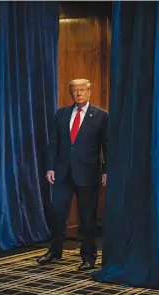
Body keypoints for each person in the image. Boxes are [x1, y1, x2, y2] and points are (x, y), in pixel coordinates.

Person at [38, 78, 108, 271]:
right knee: (57, 213)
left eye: (81, 90)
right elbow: (54, 143)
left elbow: (106, 146)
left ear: (89, 92)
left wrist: (106, 170)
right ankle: (55, 251)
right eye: (75, 90)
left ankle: (88, 257)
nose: (78, 94)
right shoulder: (61, 114)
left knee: (87, 217)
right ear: (71, 93)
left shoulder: (102, 116)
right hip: (62, 173)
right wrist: (50, 167)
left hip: (88, 173)